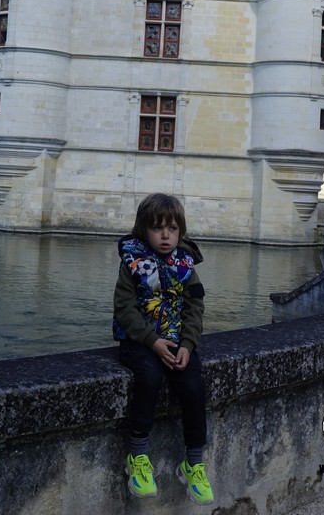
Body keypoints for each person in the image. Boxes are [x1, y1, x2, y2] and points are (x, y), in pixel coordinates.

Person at [113, 192, 213, 505]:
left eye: (172, 228)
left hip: (176, 340)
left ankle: (194, 463)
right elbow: (124, 308)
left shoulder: (186, 263)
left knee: (194, 388)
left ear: (180, 231)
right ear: (144, 230)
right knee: (149, 379)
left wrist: (187, 345)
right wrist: (152, 341)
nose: (166, 235)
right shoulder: (132, 262)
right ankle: (138, 457)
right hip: (140, 341)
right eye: (157, 228)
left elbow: (195, 307)